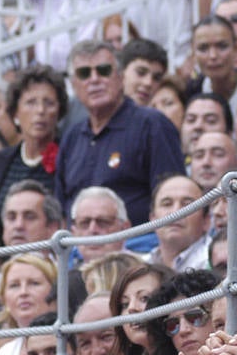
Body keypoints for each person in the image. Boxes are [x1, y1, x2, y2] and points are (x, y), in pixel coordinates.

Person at [55, 39, 186, 226]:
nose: (94, 79)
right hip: (80, 249)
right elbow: (62, 209)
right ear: (74, 84)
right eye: (84, 73)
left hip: (139, 247)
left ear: (120, 77)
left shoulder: (153, 125)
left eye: (103, 70)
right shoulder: (71, 137)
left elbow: (174, 199)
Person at [0, 65, 67, 248]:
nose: (40, 111)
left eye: (49, 103)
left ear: (59, 112)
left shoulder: (70, 157)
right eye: (31, 102)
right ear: (15, 112)